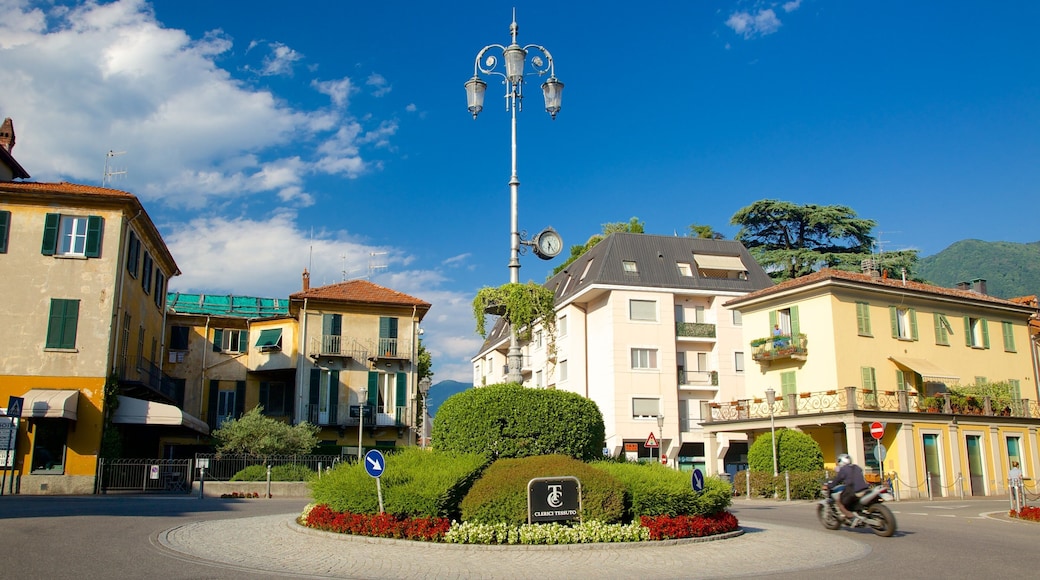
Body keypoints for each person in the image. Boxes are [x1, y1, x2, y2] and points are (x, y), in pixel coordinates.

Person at [826, 454, 871, 524]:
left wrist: (828, 486)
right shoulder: (857, 467)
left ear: (841, 462)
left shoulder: (843, 469)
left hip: (854, 490)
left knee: (839, 502)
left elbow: (836, 481)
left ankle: (852, 517)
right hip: (865, 488)